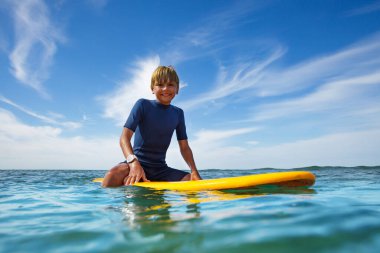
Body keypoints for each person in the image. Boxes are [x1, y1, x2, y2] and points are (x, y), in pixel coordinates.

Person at [102, 66, 202, 187]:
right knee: (112, 175)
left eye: (170, 84)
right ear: (152, 89)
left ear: (177, 88)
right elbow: (124, 137)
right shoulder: (143, 105)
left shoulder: (178, 113)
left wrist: (194, 171)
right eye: (160, 84)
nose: (165, 88)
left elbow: (184, 147)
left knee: (191, 180)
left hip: (160, 170)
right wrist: (133, 163)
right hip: (136, 163)